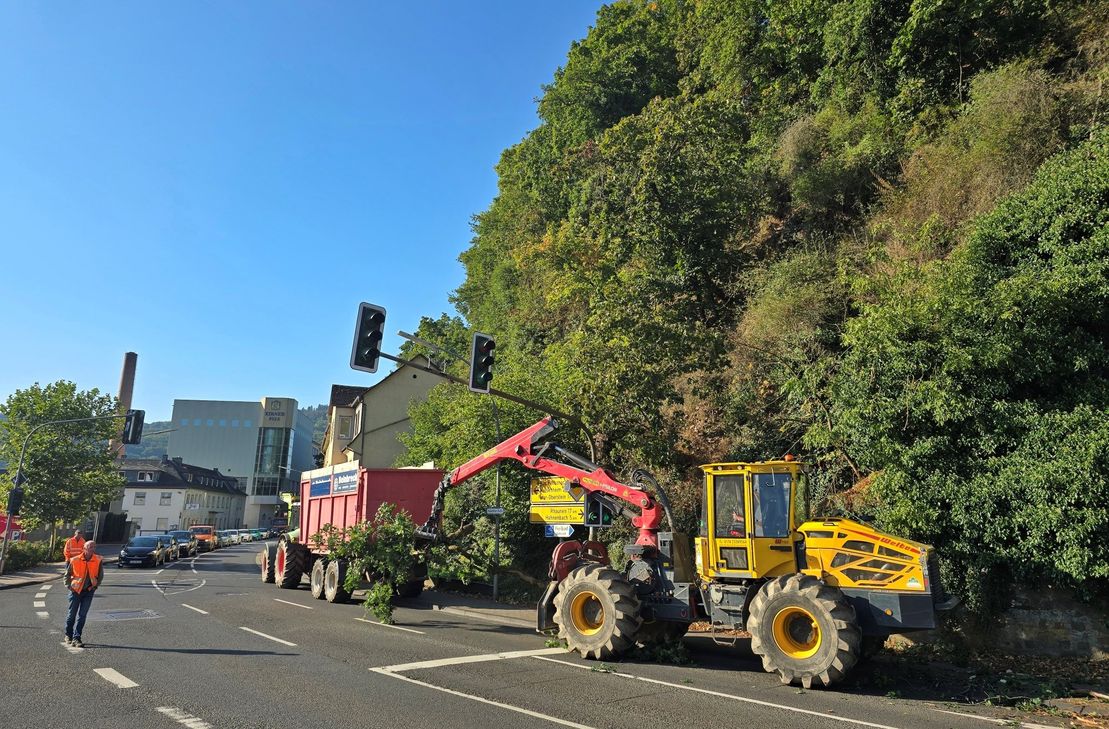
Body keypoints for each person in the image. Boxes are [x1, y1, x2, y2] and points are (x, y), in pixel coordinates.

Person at [63, 540, 103, 648]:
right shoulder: (75, 560)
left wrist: (95, 586)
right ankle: (68, 634)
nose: (92, 549)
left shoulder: (98, 560)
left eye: (93, 547)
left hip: (88, 591)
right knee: (72, 615)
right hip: (75, 591)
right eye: (90, 547)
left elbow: (100, 575)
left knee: (82, 616)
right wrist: (69, 586)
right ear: (84, 548)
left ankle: (77, 637)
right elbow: (67, 575)